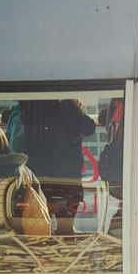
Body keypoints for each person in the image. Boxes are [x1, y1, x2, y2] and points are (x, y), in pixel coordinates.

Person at [21, 99, 96, 234]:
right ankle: (64, 250)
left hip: (39, 178)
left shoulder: (32, 105)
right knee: (65, 227)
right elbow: (89, 128)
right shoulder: (68, 108)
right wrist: (77, 107)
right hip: (67, 180)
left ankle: (44, 251)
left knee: (40, 225)